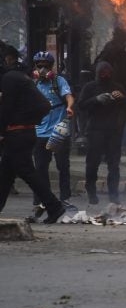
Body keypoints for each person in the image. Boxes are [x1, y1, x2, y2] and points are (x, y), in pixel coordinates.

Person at [0, 46, 66, 224]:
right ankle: (54, 206)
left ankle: (54, 206)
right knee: (5, 174)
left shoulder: (9, 80)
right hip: (24, 132)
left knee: (27, 172)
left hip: (17, 134)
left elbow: (5, 109)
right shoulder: (19, 78)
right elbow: (43, 105)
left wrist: (3, 130)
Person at [77, 61, 126, 205]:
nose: (105, 74)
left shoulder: (117, 87)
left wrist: (122, 98)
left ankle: (113, 194)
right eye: (102, 72)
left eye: (108, 72)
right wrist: (96, 99)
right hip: (95, 130)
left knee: (113, 164)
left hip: (113, 131)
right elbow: (81, 105)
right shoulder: (90, 87)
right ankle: (91, 191)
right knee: (93, 163)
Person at [31, 51, 75, 210]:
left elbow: (69, 96)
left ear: (52, 66)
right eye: (39, 65)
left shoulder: (59, 81)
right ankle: (42, 200)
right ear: (35, 66)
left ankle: (65, 198)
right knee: (40, 168)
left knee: (63, 166)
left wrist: (69, 107)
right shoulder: (33, 84)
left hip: (58, 131)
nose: (42, 69)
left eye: (46, 66)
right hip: (40, 132)